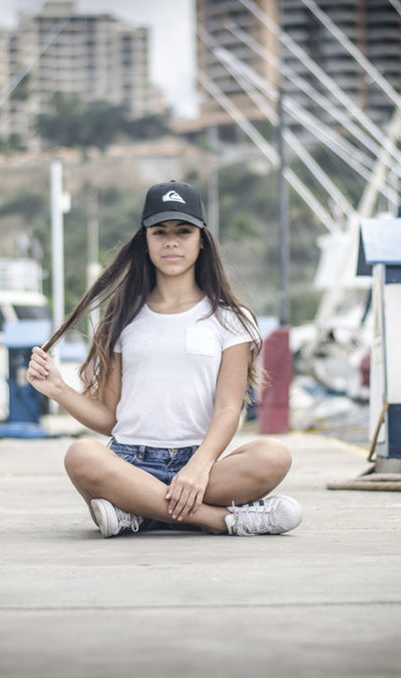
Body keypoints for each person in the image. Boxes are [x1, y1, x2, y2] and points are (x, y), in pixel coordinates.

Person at [27, 179, 302, 538]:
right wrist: (59, 390)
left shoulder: (231, 318)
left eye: (183, 231)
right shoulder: (122, 317)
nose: (171, 241)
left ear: (202, 239)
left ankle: (140, 512)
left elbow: (228, 409)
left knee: (273, 456)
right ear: (146, 240)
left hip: (200, 465)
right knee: (80, 455)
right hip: (130, 464)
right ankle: (218, 521)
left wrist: (200, 466)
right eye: (160, 232)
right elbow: (111, 418)